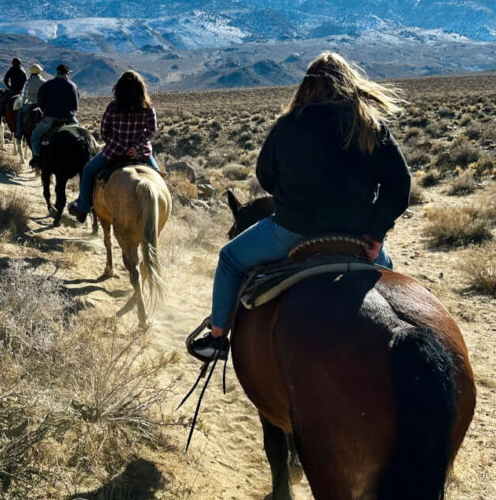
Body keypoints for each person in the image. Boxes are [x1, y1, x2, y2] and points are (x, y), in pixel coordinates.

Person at [188, 51, 411, 361]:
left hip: (292, 232)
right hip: (358, 237)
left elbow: (265, 174)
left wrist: (294, 194)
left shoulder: (290, 124)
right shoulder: (369, 123)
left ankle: (216, 338)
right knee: (390, 283)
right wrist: (376, 232)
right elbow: (400, 184)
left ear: (308, 86)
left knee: (229, 260)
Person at [67, 71, 162, 223]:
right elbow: (152, 130)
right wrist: (137, 147)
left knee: (89, 171)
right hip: (140, 152)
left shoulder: (113, 106)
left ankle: (84, 207)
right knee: (158, 176)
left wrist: (115, 143)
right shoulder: (148, 106)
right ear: (140, 88)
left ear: (119, 89)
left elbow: (104, 130)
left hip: (114, 151)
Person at [29, 64, 79, 168]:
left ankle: (37, 158)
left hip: (50, 118)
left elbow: (41, 101)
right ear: (67, 74)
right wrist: (71, 112)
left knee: (35, 135)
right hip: (69, 118)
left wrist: (46, 112)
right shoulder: (72, 85)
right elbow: (76, 104)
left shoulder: (47, 85)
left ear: (57, 73)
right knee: (83, 134)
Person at [17, 63, 47, 138]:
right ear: (39, 72)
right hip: (41, 105)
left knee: (20, 114)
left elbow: (24, 95)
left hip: (30, 104)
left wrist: (23, 103)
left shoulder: (28, 82)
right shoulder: (44, 82)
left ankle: (19, 133)